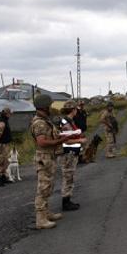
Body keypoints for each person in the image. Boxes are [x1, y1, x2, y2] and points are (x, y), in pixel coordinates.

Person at [31, 94, 69, 229]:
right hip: (44, 157)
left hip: (49, 157)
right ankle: (40, 219)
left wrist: (61, 134)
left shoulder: (45, 120)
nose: (51, 108)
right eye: (49, 106)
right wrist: (60, 141)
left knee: (48, 187)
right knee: (43, 188)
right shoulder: (39, 123)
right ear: (45, 106)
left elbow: (49, 136)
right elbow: (41, 142)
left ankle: (46, 213)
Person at [57, 100, 87, 211]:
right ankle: (66, 202)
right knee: (68, 177)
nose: (77, 111)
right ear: (73, 110)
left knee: (70, 177)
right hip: (68, 153)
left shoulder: (70, 121)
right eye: (75, 109)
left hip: (72, 153)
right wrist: (81, 140)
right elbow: (65, 140)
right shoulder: (66, 123)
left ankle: (68, 200)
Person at [0, 107, 13, 187]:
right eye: (10, 114)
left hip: (4, 144)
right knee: (0, 161)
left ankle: (3, 177)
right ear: (6, 114)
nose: (10, 115)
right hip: (1, 145)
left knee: (5, 161)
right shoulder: (2, 122)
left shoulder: (2, 121)